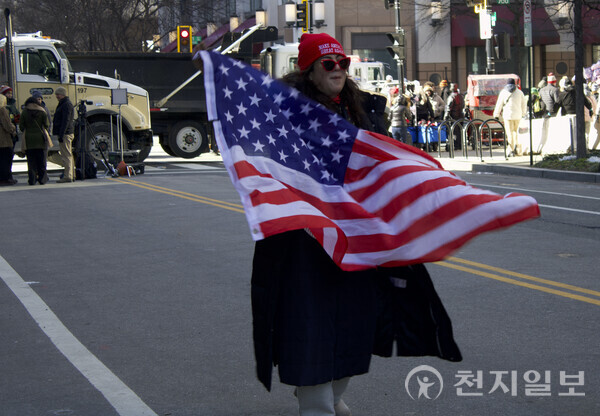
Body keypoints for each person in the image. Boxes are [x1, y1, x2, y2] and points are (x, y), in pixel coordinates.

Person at [251, 33, 461, 416]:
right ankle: (316, 404)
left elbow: (383, 163)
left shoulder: (363, 110)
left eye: (343, 64)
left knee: (356, 321)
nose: (338, 71)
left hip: (358, 239)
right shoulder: (286, 114)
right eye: (328, 64)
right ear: (309, 69)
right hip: (306, 243)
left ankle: (331, 393)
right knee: (311, 324)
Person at [19, 95, 50, 185]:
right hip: (40, 139)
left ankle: (32, 180)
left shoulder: (24, 112)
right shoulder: (42, 111)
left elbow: (21, 126)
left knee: (31, 161)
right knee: (42, 161)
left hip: (28, 139)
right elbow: (46, 125)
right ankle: (42, 179)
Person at [493, 78, 526, 156]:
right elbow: (524, 104)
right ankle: (518, 150)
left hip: (507, 116)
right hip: (518, 116)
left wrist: (496, 115)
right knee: (517, 132)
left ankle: (511, 150)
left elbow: (499, 104)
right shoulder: (519, 92)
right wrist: (524, 113)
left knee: (509, 133)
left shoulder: (503, 92)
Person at [53, 86, 75, 183]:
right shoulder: (65, 103)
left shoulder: (65, 104)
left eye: (58, 94)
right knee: (68, 154)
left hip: (65, 133)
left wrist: (61, 134)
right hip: (67, 132)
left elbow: (65, 120)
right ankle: (71, 174)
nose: (56, 96)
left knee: (66, 155)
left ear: (63, 94)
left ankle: (68, 176)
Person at [0, 93, 17, 186]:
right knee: (6, 158)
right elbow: (7, 124)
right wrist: (13, 129)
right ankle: (6, 178)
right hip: (4, 138)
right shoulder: (2, 110)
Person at [444, 83, 465, 149]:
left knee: (455, 132)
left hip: (454, 116)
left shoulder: (452, 96)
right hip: (460, 116)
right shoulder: (460, 96)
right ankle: (459, 145)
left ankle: (456, 145)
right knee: (459, 131)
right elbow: (463, 105)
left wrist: (446, 115)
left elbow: (449, 107)